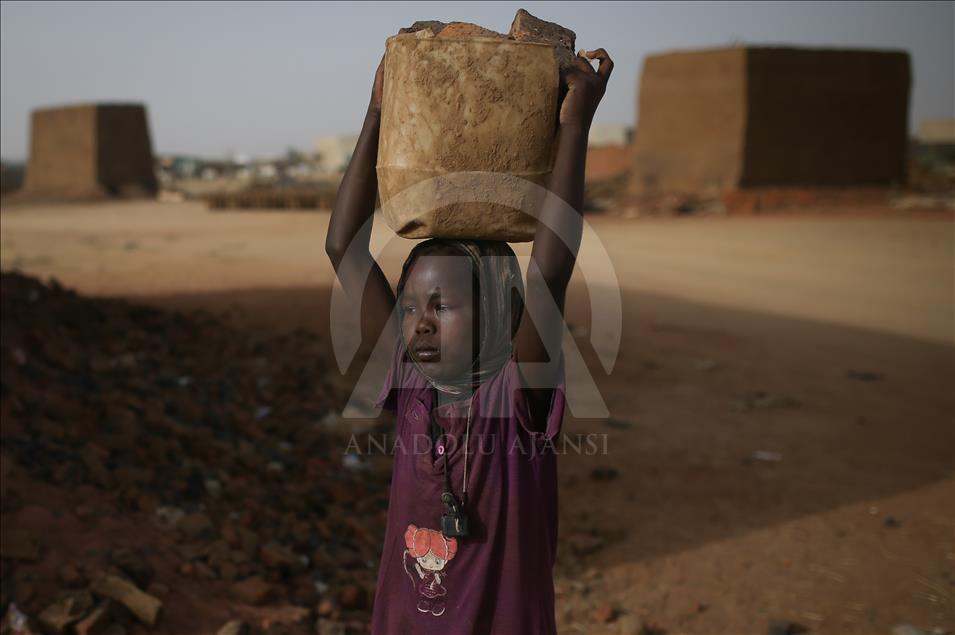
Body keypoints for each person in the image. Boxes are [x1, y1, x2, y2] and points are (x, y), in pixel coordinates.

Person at [325, 41, 613, 635]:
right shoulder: (409, 381)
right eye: (409, 308)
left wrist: (576, 125)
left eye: (443, 305)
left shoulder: (519, 390)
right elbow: (343, 247)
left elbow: (550, 268)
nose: (420, 322)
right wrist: (377, 113)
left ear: (498, 315)